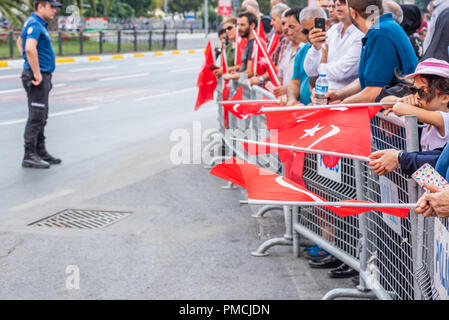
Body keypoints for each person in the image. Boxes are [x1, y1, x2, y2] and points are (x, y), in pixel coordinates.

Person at [326, 0, 418, 105]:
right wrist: (337, 95)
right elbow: (369, 80)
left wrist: (342, 105)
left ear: (353, 12)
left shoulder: (380, 33)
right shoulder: (382, 27)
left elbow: (374, 92)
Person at [369, 59, 449, 177]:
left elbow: (399, 108)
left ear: (444, 98)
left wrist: (401, 105)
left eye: (421, 91)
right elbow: (384, 102)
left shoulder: (444, 118)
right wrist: (399, 100)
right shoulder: (427, 112)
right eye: (413, 90)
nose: (415, 96)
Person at [16, 0, 62, 169]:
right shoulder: (35, 24)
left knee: (42, 115)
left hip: (41, 74)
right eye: (51, 7)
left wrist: (30, 64)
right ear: (40, 6)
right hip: (38, 76)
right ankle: (29, 155)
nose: (55, 11)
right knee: (36, 116)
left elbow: (20, 41)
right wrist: (35, 71)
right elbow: (28, 48)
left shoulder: (35, 23)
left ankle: (40, 151)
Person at [304, 0, 364, 91]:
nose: (337, 3)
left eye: (343, 1)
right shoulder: (333, 30)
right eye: (335, 1)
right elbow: (310, 71)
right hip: (323, 96)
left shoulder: (361, 33)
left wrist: (321, 65)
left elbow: (342, 71)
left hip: (347, 99)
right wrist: (315, 48)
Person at [286, 6, 328, 106]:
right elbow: (295, 81)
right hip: (305, 111)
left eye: (314, 29)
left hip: (326, 109)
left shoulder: (332, 46)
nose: (310, 35)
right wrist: (292, 100)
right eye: (306, 31)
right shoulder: (303, 50)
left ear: (326, 24)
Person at [248, 3, 290, 87]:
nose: (271, 23)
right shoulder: (281, 40)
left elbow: (280, 67)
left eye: (274, 19)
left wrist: (261, 78)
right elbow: (273, 65)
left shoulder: (288, 41)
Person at [273, 7, 307, 103]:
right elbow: (280, 74)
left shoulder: (309, 49)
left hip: (302, 105)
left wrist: (288, 90)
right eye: (284, 25)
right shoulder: (287, 47)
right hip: (287, 103)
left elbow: (306, 82)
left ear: (303, 26)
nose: (285, 29)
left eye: (291, 26)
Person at [223, 11, 258, 81]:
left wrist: (232, 76)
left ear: (252, 25)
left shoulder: (254, 44)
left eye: (242, 25)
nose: (239, 28)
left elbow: (250, 72)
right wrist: (236, 73)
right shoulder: (248, 42)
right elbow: (244, 68)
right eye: (238, 25)